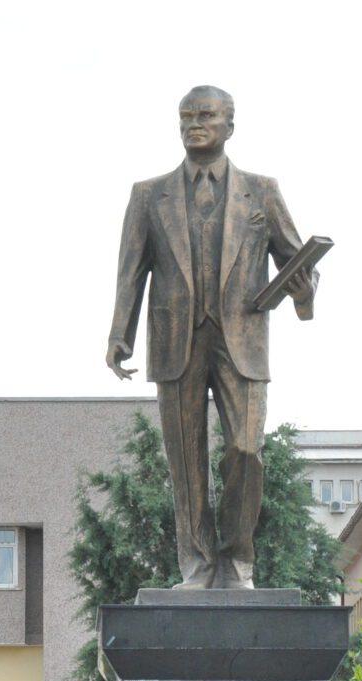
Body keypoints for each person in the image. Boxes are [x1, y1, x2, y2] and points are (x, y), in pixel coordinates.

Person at [105, 85, 317, 589]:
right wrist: (120, 333)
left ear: (229, 125)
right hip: (175, 341)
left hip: (241, 340)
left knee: (246, 449)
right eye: (185, 117)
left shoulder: (261, 191)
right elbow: (130, 271)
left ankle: (236, 561)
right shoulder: (147, 195)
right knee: (186, 460)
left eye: (205, 115)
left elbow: (294, 259)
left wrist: (305, 291)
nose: (193, 124)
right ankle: (197, 565)